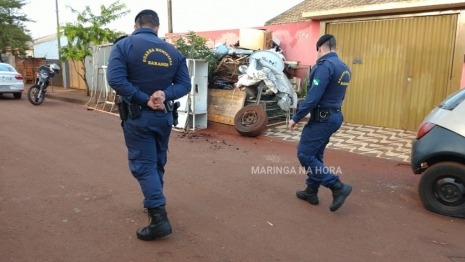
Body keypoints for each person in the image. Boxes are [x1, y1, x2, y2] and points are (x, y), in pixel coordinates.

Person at [107, 9, 191, 241]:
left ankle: (158, 219)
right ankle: (155, 198)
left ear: (136, 25)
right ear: (157, 27)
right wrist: (164, 94)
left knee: (143, 164)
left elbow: (115, 79)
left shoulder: (124, 45)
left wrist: (144, 98)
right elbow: (185, 85)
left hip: (139, 116)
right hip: (164, 117)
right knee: (157, 161)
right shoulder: (173, 51)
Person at [288, 34, 352, 212]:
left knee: (305, 154)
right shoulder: (344, 68)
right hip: (334, 116)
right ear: (335, 47)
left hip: (322, 119)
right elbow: (340, 95)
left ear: (319, 48)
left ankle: (336, 186)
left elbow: (313, 96)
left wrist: (296, 117)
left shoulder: (324, 66)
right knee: (316, 155)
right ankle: (311, 190)